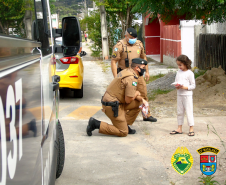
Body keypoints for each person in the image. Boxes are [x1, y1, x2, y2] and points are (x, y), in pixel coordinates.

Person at [86, 58, 149, 137]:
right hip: (112, 106)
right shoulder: (131, 79)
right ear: (137, 68)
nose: (144, 70)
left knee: (140, 103)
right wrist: (136, 94)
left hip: (115, 102)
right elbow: (128, 100)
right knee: (123, 132)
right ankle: (95, 124)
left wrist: (142, 99)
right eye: (143, 68)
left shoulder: (126, 71)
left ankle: (124, 124)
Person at [111, 27, 157, 122]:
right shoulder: (119, 46)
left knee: (143, 94)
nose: (133, 39)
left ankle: (146, 115)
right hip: (125, 76)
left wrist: (147, 71)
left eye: (134, 37)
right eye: (131, 37)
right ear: (126, 36)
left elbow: (143, 58)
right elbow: (113, 62)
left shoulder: (139, 44)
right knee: (126, 97)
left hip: (138, 74)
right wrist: (116, 78)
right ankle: (122, 117)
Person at [170, 55, 196, 136]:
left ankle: (191, 128)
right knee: (179, 112)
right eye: (178, 65)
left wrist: (184, 87)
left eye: (180, 65)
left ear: (185, 64)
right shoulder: (178, 72)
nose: (179, 66)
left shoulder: (190, 73)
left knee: (189, 111)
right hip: (179, 94)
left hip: (187, 95)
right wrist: (177, 87)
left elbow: (193, 86)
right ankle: (179, 128)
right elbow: (176, 81)